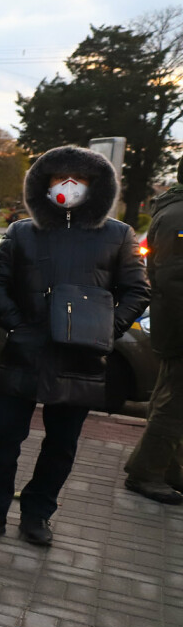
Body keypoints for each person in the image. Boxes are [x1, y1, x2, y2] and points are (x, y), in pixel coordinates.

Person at [0, 148, 148, 544]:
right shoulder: (23, 232)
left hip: (81, 357)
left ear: (97, 187)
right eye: (60, 178)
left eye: (79, 179)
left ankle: (38, 514)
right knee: (2, 438)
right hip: (24, 352)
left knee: (61, 445)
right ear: (45, 184)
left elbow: (136, 290)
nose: (69, 186)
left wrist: (103, 328)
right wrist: (15, 326)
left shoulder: (118, 234)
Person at [126, 168, 183, 504]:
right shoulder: (178, 216)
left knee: (170, 397)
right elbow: (175, 281)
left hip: (174, 324)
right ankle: (146, 472)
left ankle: (168, 469)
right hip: (178, 326)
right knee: (174, 403)